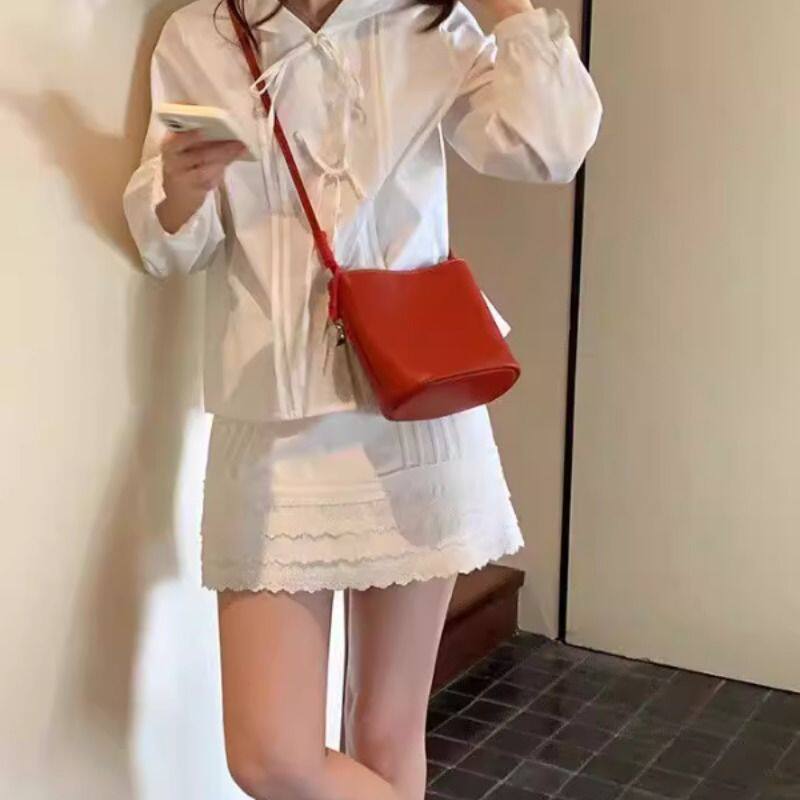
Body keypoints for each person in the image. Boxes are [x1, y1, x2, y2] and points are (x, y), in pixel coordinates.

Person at [123, 0, 601, 797]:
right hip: (273, 427)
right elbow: (172, 246)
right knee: (270, 755)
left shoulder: (425, 22)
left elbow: (550, 147)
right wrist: (175, 191)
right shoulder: (200, 36)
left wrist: (508, 10)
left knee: (383, 732)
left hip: (414, 411)